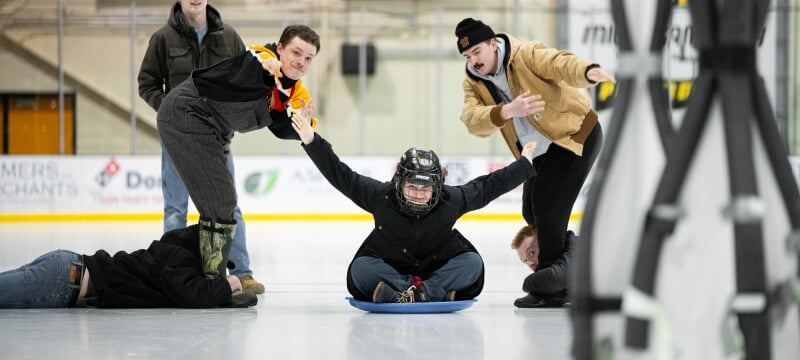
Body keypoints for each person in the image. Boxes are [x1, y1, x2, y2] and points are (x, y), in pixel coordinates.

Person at [290, 101, 539, 303]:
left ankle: (413, 293)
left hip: (436, 269)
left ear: (437, 187)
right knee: (361, 269)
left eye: (425, 187)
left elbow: (487, 187)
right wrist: (312, 141)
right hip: (391, 268)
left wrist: (523, 165)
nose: (418, 193)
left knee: (472, 263)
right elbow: (342, 176)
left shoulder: (450, 200)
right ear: (399, 183)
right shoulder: (381, 196)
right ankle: (422, 292)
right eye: (412, 186)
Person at [454, 18, 613, 304]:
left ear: (493, 43)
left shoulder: (524, 55)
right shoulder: (473, 83)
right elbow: (471, 120)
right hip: (537, 152)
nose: (473, 61)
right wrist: (506, 111)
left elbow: (558, 63)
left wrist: (588, 71)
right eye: (467, 56)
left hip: (574, 136)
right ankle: (569, 266)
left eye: (477, 51)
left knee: (547, 207)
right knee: (531, 212)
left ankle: (554, 290)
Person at [155, 24, 320, 281]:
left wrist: (304, 124)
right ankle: (205, 278)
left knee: (223, 204)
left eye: (308, 58)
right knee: (217, 202)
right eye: (296, 53)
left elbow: (286, 128)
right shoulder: (261, 57)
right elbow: (255, 60)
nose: (301, 62)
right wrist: (267, 67)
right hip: (185, 112)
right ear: (280, 48)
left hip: (213, 131)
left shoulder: (295, 94)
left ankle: (212, 275)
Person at [137, 0, 264, 293]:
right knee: (175, 210)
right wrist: (169, 110)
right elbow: (147, 84)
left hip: (216, 138)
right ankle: (176, 274)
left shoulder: (228, 36)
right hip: (177, 138)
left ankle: (241, 272)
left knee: (228, 207)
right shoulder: (162, 38)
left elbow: (246, 79)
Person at [0, 226, 257, 308]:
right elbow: (192, 293)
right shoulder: (179, 263)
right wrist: (231, 282)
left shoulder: (172, 251)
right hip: (66, 280)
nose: (221, 268)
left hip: (66, 270)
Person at [510, 225, 575, 308]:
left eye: (532, 253)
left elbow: (555, 278)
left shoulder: (575, 245)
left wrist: (526, 284)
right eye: (525, 260)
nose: (530, 263)